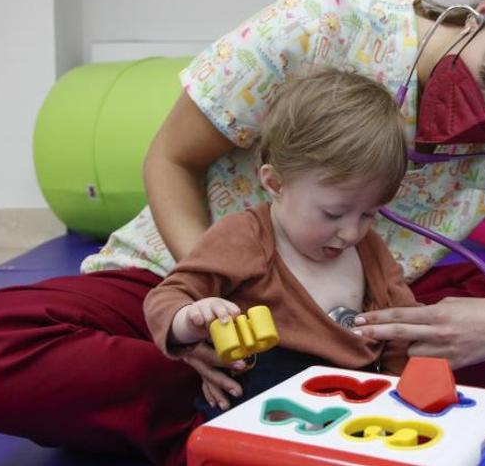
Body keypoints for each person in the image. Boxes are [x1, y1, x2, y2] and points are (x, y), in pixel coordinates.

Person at [0, 0, 485, 465]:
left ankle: (268, 409)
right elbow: (171, 159)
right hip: (193, 278)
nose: (483, 116)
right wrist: (204, 308)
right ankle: (256, 415)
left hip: (351, 315)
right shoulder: (320, 26)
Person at [143, 70, 420, 417]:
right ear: (275, 184)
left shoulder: (370, 252)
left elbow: (400, 329)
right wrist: (190, 319)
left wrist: (399, 399)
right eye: (333, 213)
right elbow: (167, 297)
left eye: (369, 214)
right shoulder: (245, 237)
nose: (351, 233)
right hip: (261, 413)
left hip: (351, 409)